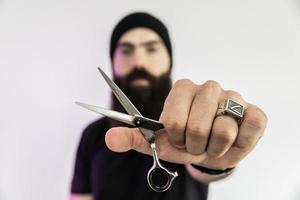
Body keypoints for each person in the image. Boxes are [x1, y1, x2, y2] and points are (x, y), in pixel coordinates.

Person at [70, 12, 267, 200]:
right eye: (126, 50)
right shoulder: (93, 136)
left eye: (151, 49)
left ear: (169, 61)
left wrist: (212, 160)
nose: (138, 62)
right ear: (112, 63)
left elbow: (203, 170)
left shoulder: (193, 127)